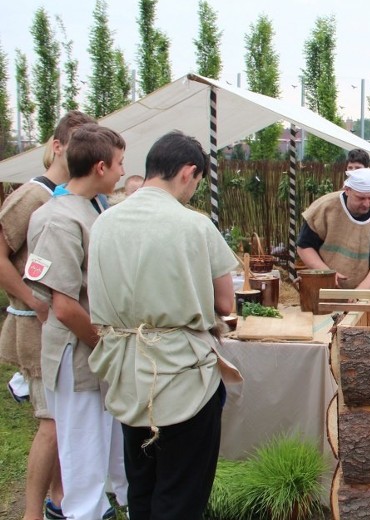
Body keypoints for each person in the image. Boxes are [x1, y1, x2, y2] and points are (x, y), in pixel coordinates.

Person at [87, 131, 242, 520]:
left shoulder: (104, 222)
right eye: (198, 182)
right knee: (181, 492)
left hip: (126, 371)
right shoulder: (194, 226)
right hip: (183, 374)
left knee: (142, 485)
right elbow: (226, 303)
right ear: (189, 172)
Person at [24, 123, 128, 520]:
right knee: (83, 455)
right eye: (119, 163)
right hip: (78, 353)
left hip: (96, 352)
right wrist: (106, 346)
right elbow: (62, 306)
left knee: (104, 446)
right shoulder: (57, 218)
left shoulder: (92, 209)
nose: (122, 171)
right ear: (100, 167)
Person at [0, 111, 94, 520]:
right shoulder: (33, 196)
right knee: (52, 424)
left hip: (58, 323)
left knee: (62, 421)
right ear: (57, 147)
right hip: (37, 325)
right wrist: (33, 300)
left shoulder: (73, 199)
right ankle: (32, 513)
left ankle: (60, 498)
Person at [297, 167, 370, 289]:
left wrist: (360, 292)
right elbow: (304, 246)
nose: (366, 204)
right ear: (347, 190)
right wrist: (327, 273)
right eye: (361, 198)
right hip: (327, 287)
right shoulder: (325, 207)